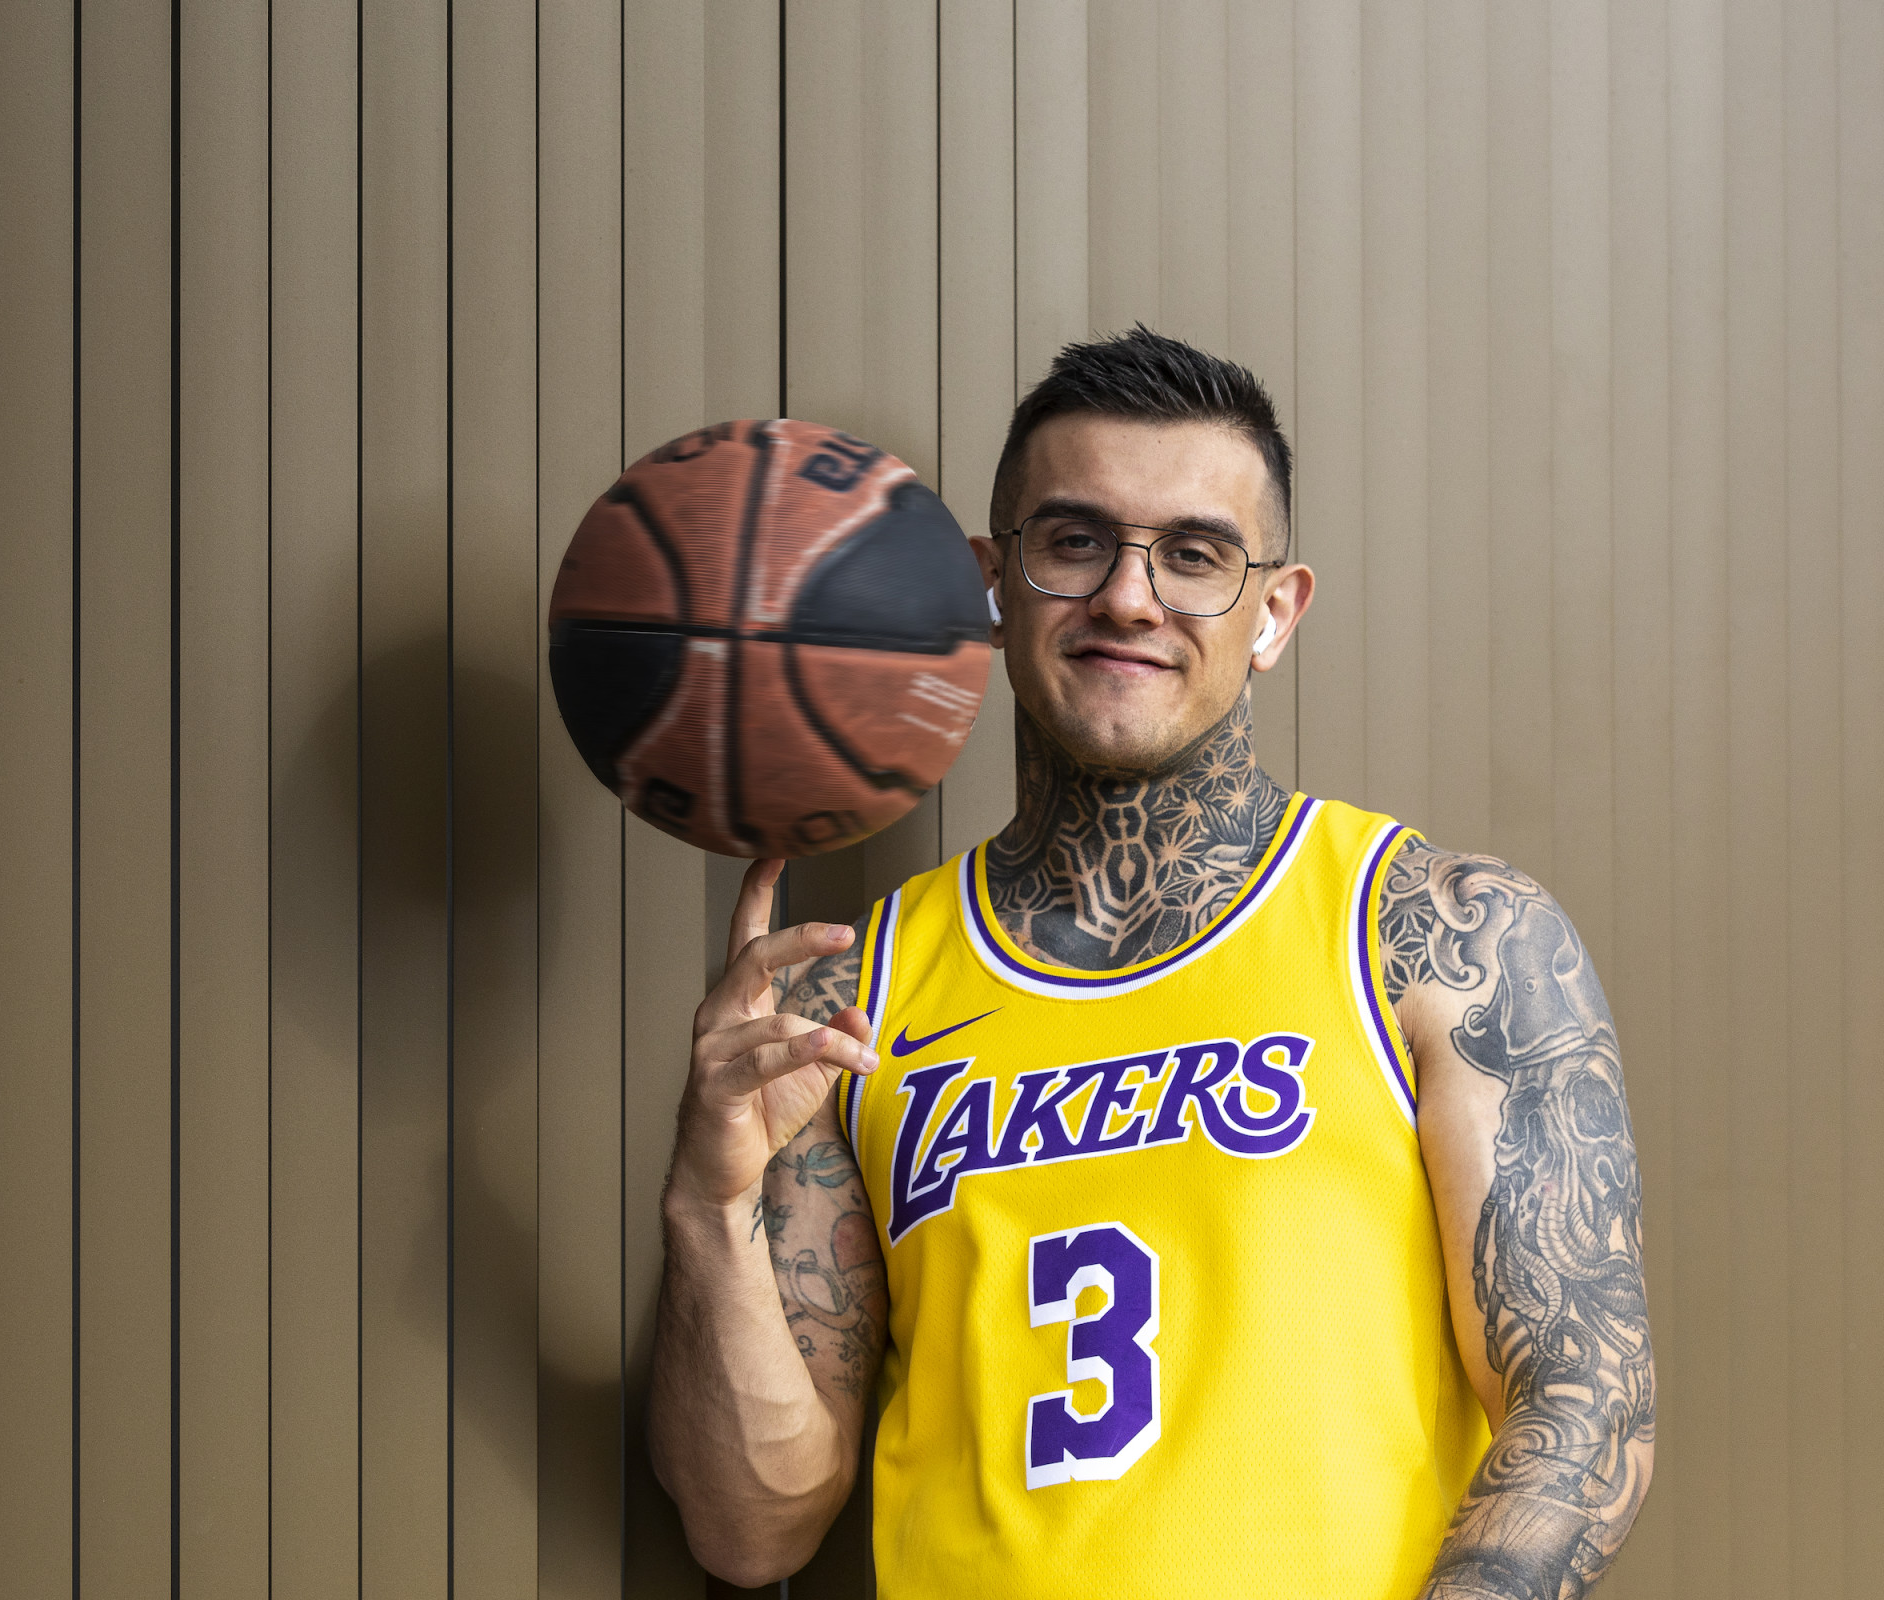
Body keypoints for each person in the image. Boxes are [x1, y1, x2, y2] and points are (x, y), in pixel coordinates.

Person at [646, 328, 1655, 1599]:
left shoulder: (1437, 934)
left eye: (1195, 555)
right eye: (1076, 542)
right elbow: (755, 1529)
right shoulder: (851, 998)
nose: (1130, 595)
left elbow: (1585, 1394)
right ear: (993, 585)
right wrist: (708, 1195)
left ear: (1273, 612)